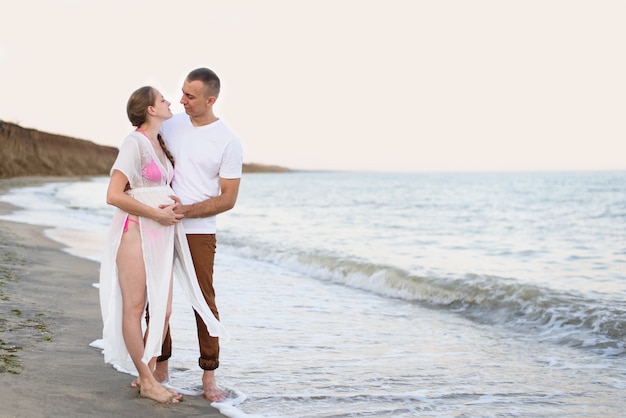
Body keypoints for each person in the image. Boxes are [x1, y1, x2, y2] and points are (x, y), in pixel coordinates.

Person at [98, 86, 229, 404]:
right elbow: (114, 195)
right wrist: (155, 213)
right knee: (134, 307)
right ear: (150, 110)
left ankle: (151, 370)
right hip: (135, 232)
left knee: (163, 309)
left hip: (161, 235)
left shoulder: (160, 142)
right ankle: (147, 380)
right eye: (163, 99)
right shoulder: (134, 143)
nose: (170, 102)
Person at [154, 67, 243, 402]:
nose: (181, 101)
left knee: (203, 301)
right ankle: (160, 367)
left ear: (211, 100)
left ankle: (209, 376)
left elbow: (228, 199)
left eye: (190, 96)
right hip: (159, 224)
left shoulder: (228, 142)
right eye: (182, 93)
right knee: (155, 297)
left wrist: (186, 211)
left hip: (199, 231)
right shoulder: (171, 124)